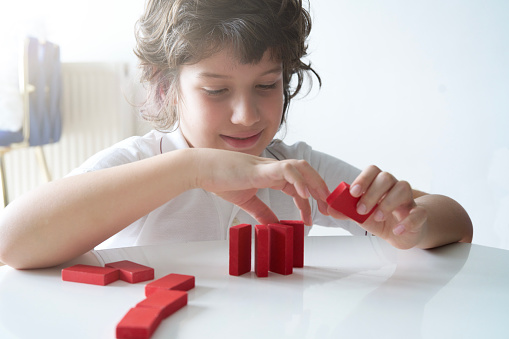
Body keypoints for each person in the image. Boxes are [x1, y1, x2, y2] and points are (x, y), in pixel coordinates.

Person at [0, 0, 472, 269]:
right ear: (168, 87)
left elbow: (457, 221)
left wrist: (415, 225)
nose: (246, 115)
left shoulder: (294, 168)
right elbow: (11, 240)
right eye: (216, 89)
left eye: (267, 85)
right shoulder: (143, 164)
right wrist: (193, 169)